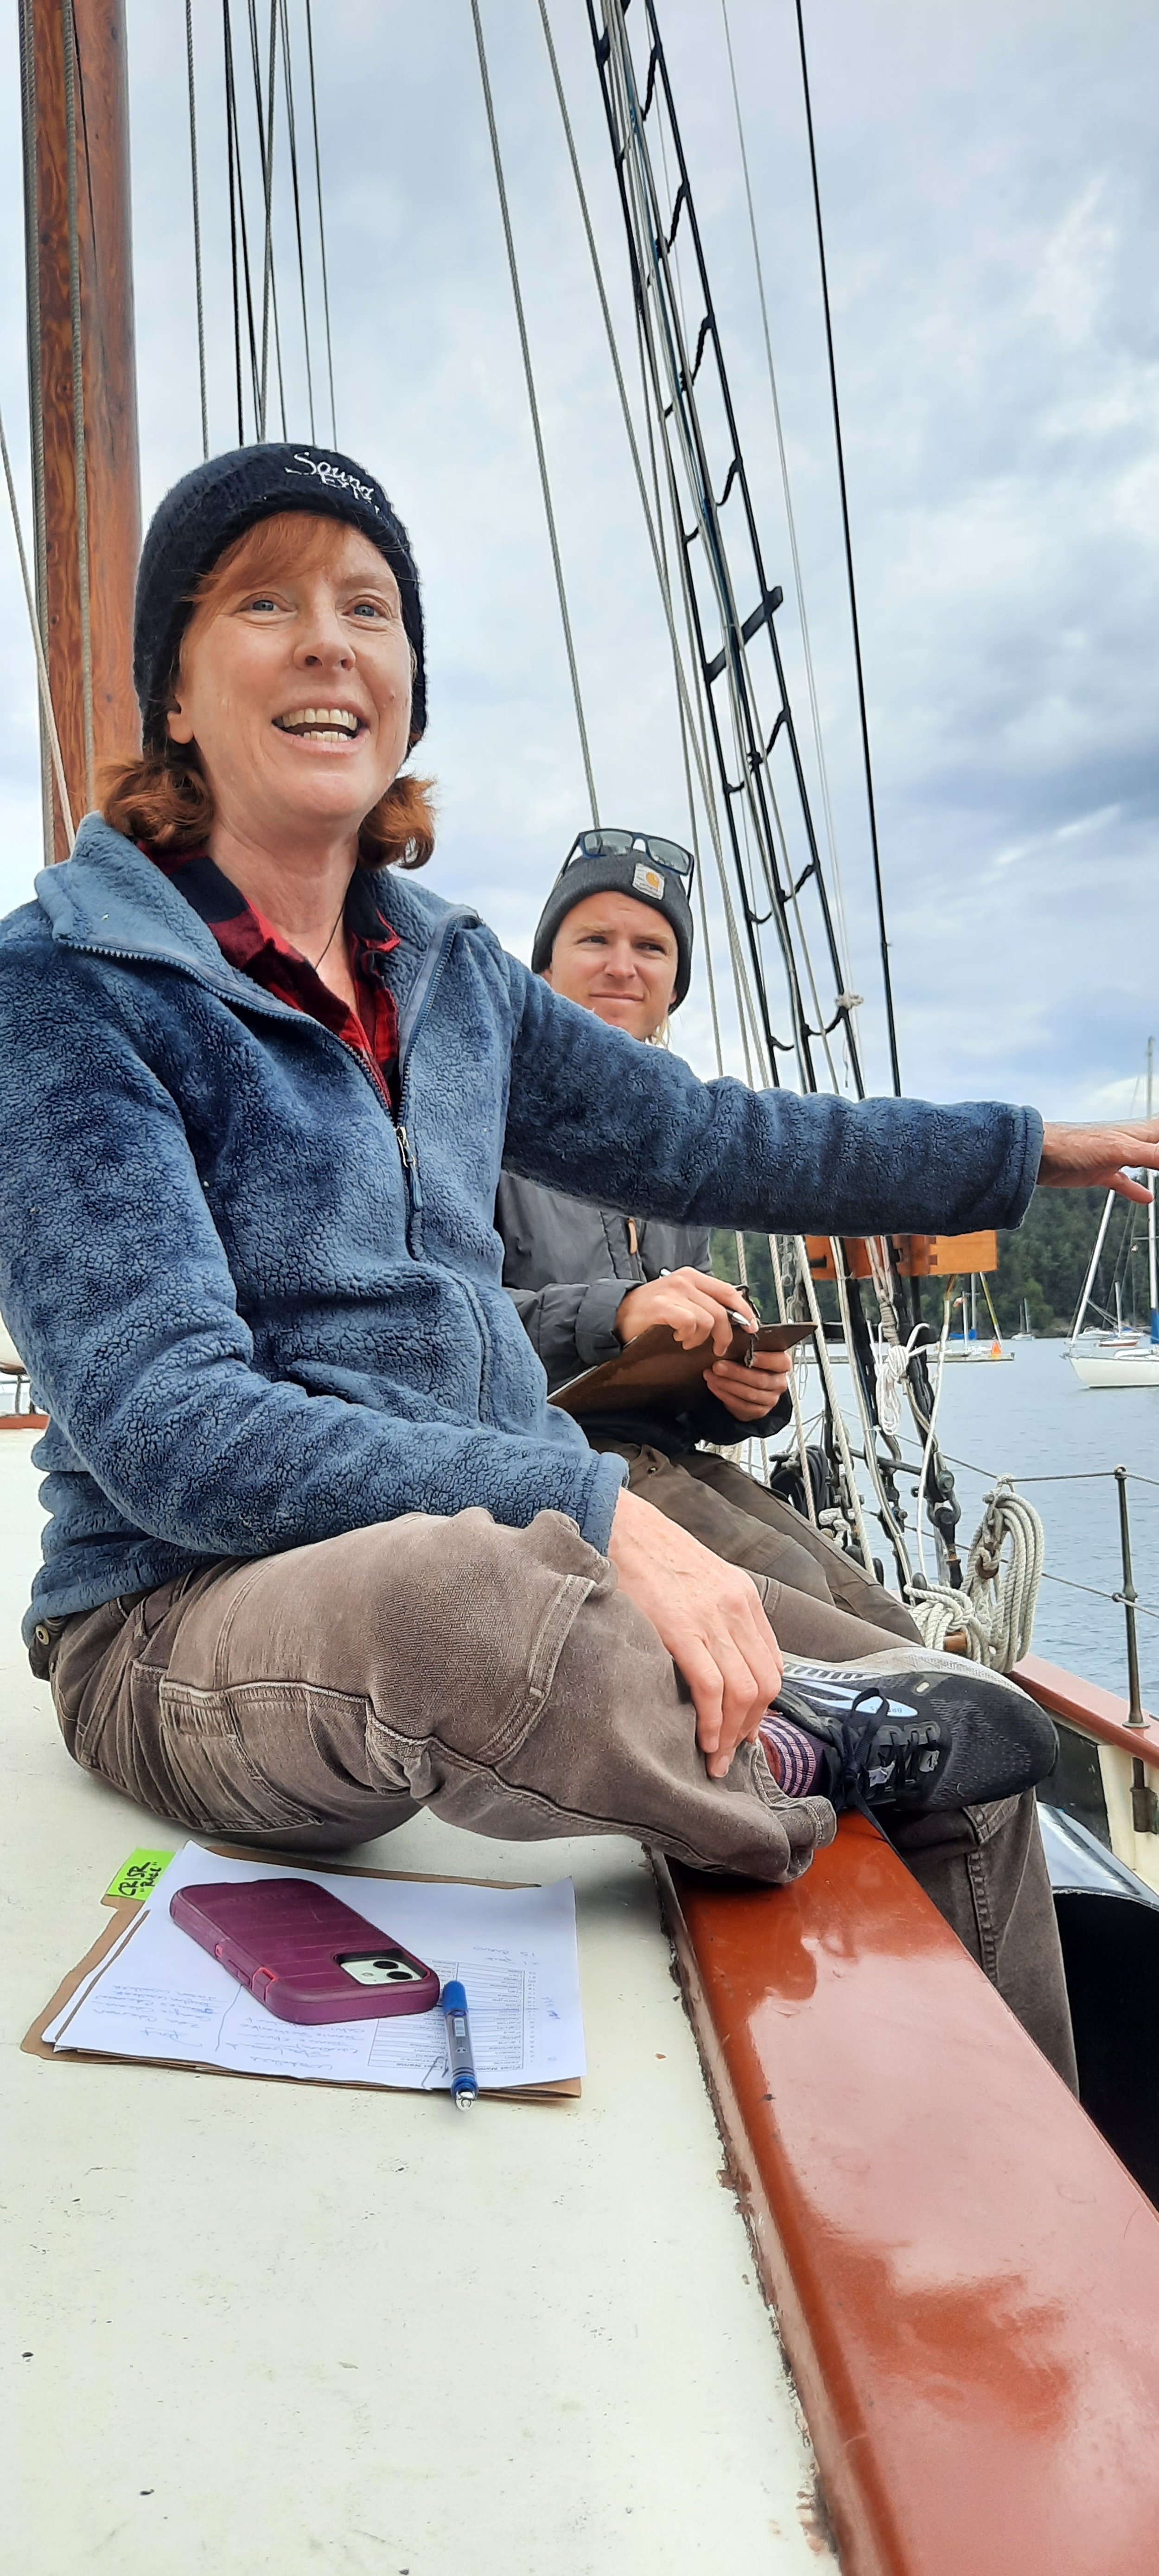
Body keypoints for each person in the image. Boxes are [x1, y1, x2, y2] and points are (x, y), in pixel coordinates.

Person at [1, 442, 1154, 2092]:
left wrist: (1021, 1145)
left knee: (948, 1731)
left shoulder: (453, 975)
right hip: (185, 1611)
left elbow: (714, 1140)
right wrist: (606, 1511)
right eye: (265, 602)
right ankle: (783, 1736)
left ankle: (1039, 2247)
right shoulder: (67, 986)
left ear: (407, 691)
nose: (329, 640)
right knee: (459, 1593)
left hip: (532, 1544)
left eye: (369, 607)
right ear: (175, 694)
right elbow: (173, 1425)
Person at [497, 829, 921, 1652]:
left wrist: (741, 1397)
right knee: (807, 1620)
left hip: (663, 1455)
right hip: (544, 1464)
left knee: (889, 1627)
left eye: (652, 948)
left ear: (673, 990)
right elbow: (436, 1323)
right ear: (543, 970)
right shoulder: (483, 1125)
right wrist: (616, 1311)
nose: (625, 965)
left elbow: (677, 1371)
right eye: (595, 940)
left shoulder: (676, 1156)